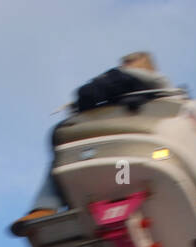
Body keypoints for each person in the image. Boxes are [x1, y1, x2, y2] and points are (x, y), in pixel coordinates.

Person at [10, 52, 175, 235]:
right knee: (66, 155)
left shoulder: (138, 81)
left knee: (63, 155)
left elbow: (89, 94)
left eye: (129, 62)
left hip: (125, 151)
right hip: (130, 157)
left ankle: (46, 207)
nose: (125, 66)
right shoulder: (164, 93)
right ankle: (57, 210)